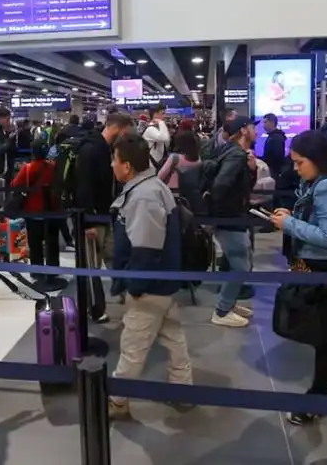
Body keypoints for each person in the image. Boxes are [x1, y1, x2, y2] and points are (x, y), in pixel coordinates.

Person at [268, 130, 327, 425]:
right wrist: (292, 215)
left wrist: (290, 223)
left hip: (324, 270)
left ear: (317, 159)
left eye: (299, 162)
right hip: (315, 267)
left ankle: (320, 395)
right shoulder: (319, 183)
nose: (295, 168)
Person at [107, 134, 192, 419]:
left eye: (114, 160)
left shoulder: (143, 196)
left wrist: (136, 286)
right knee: (173, 337)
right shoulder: (151, 185)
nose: (112, 165)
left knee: (133, 344)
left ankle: (118, 399)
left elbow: (145, 247)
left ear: (127, 166)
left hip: (150, 286)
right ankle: (182, 389)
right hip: (164, 282)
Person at [76, 111, 134, 323]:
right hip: (92, 219)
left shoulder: (107, 149)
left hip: (107, 214)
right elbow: (83, 187)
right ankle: (96, 309)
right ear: (117, 127)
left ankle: (126, 296)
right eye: (126, 131)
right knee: (92, 267)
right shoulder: (90, 149)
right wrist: (87, 222)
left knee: (115, 256)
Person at [207, 116, 258, 328]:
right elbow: (220, 186)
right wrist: (219, 217)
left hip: (233, 215)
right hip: (230, 217)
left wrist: (252, 169)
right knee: (241, 265)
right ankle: (221, 310)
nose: (256, 130)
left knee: (241, 259)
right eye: (252, 127)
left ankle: (230, 304)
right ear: (244, 130)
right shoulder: (236, 154)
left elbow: (242, 186)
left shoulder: (233, 152)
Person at [11, 139, 66, 291]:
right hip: (51, 211)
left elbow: (15, 184)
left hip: (33, 211)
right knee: (52, 243)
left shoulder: (27, 168)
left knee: (35, 244)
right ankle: (53, 271)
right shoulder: (53, 166)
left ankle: (37, 272)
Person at [141, 104, 171, 169]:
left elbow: (167, 142)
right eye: (162, 113)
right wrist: (161, 122)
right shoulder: (151, 129)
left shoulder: (158, 128)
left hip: (157, 163)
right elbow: (165, 138)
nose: (164, 116)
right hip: (152, 165)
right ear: (155, 114)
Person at [261, 113, 287, 179]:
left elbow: (275, 157)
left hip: (273, 172)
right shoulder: (272, 136)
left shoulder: (276, 138)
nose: (263, 125)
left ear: (272, 123)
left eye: (265, 122)